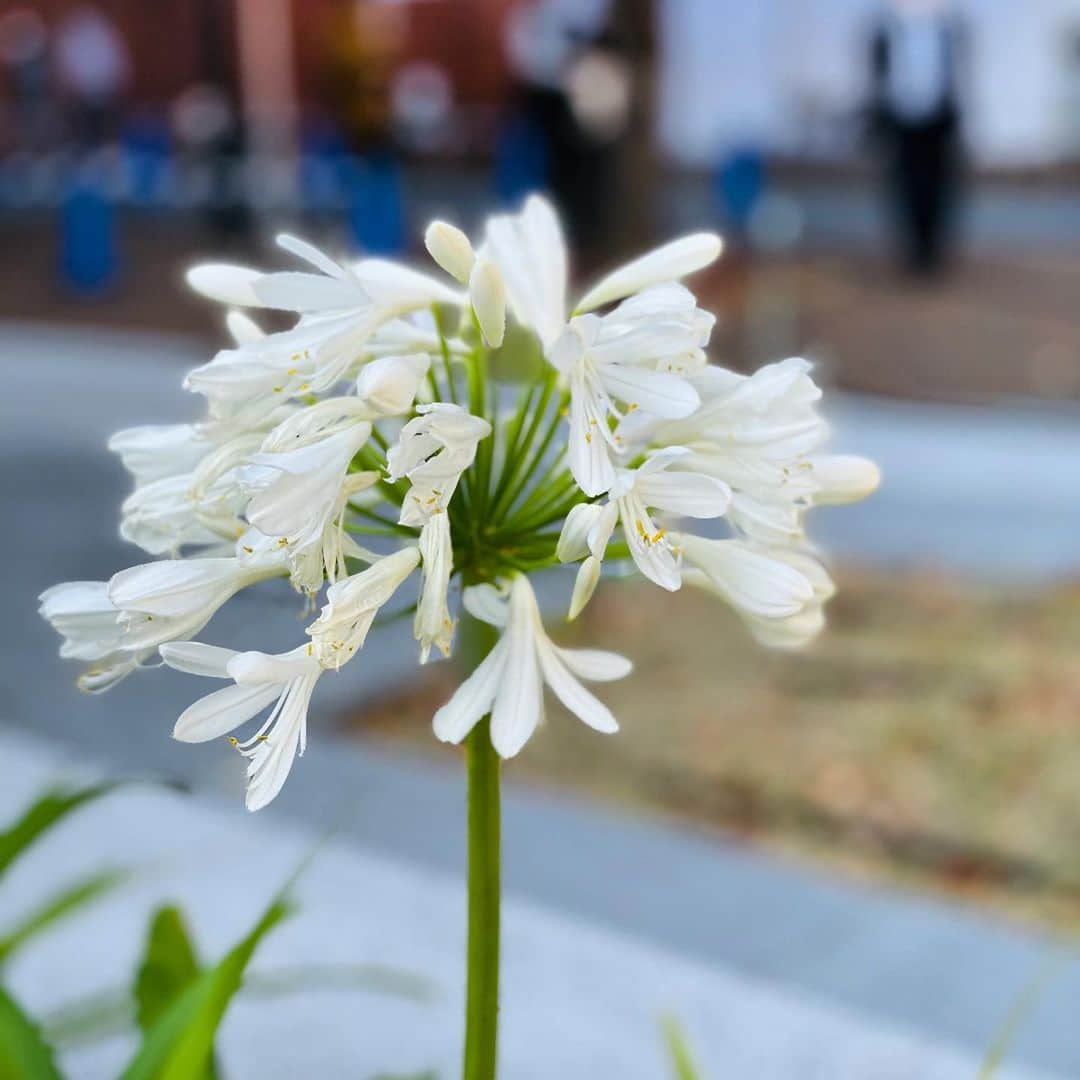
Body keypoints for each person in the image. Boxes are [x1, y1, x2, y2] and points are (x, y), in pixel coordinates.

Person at [869, 0, 965, 275]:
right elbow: (878, 77)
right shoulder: (886, 32)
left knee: (938, 187)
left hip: (938, 119)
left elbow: (955, 74)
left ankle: (932, 250)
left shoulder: (946, 31)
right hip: (901, 119)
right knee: (905, 187)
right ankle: (912, 251)